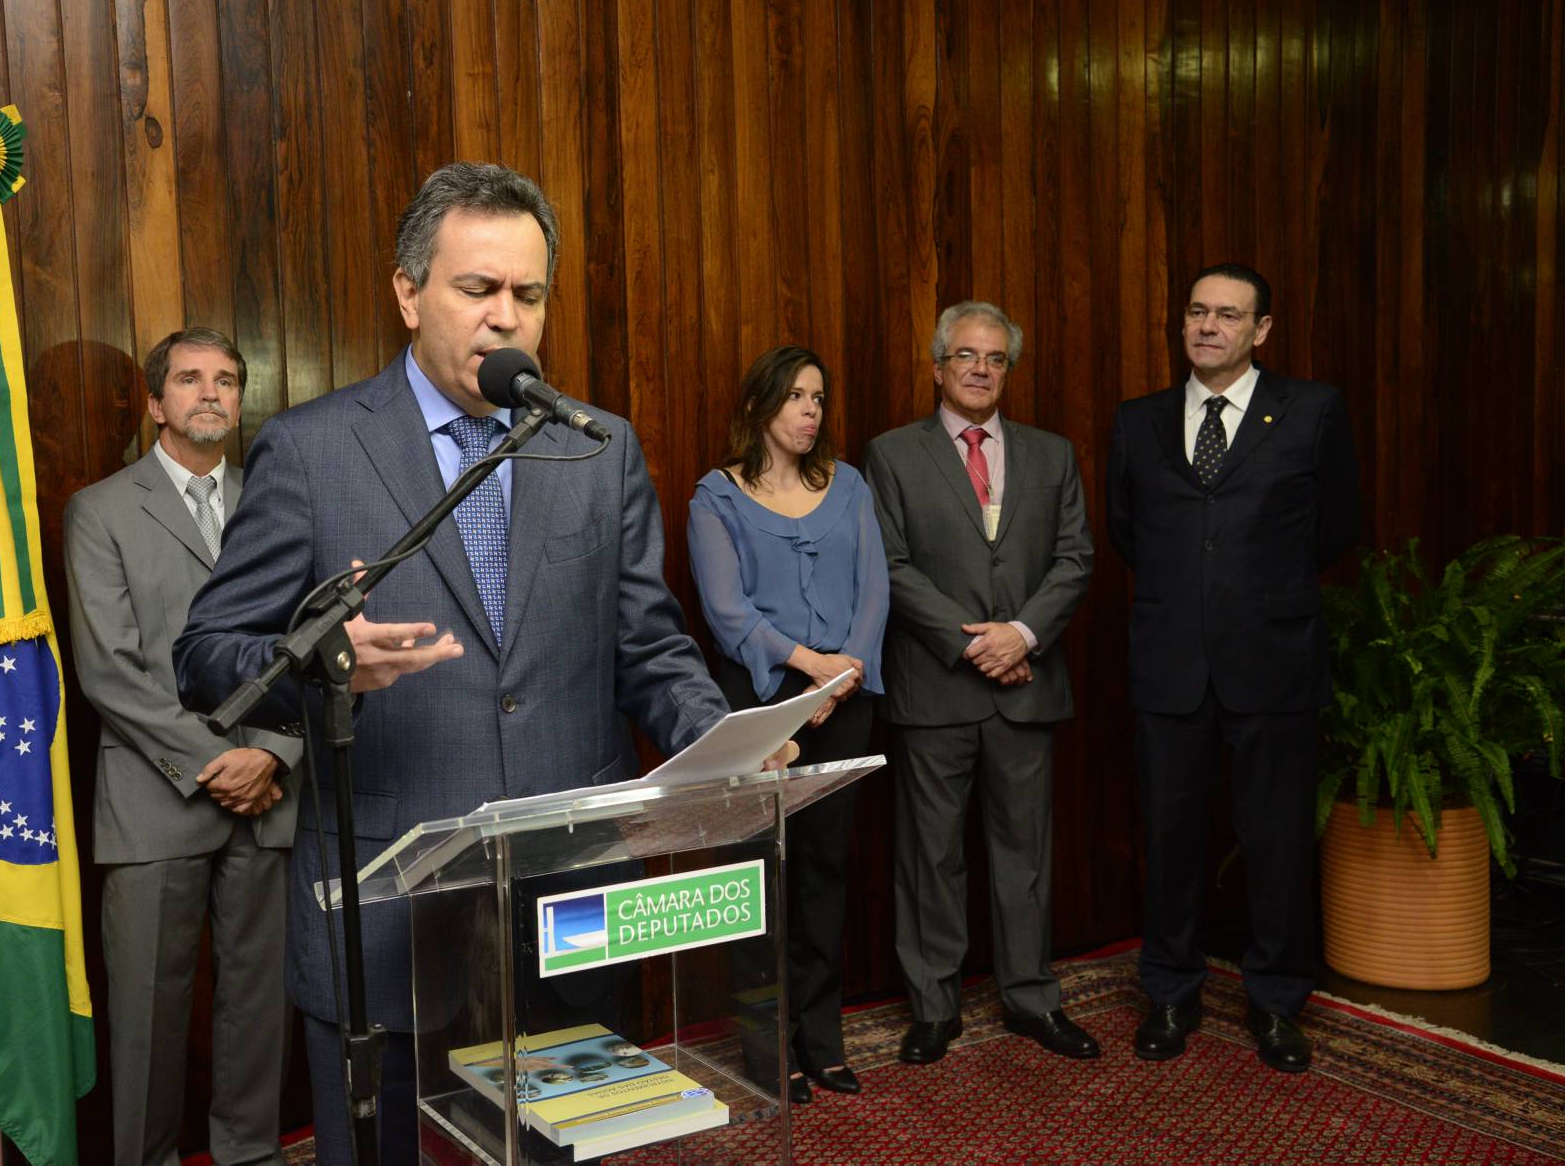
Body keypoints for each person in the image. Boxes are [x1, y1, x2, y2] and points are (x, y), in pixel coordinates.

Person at [173, 162, 745, 1165]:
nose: (505, 318)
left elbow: (649, 645)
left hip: (568, 915)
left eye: (527, 294)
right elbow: (207, 655)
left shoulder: (599, 448)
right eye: (477, 289)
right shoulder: (313, 453)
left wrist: (724, 740)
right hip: (392, 925)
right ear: (408, 293)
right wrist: (323, 662)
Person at [1107, 263, 1359, 1073]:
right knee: (1171, 836)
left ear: (1262, 329)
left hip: (1274, 661)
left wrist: (1255, 597)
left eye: (1227, 314)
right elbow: (1127, 532)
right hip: (1170, 662)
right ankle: (1171, 992)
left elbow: (1335, 529)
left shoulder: (1313, 409)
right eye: (1195, 312)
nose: (1207, 326)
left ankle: (1278, 1000)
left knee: (1276, 838)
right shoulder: (1137, 420)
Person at [63, 328, 304, 1166]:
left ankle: (249, 1154)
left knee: (258, 1008)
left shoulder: (281, 503)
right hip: (154, 800)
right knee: (147, 1021)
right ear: (156, 402)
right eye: (191, 378)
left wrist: (271, 752)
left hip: (268, 796)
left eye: (228, 379)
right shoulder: (99, 510)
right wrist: (219, 762)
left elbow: (308, 641)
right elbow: (110, 670)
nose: (211, 392)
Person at [863, 301, 1097, 1066]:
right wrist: (977, 646)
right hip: (936, 687)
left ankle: (1031, 997)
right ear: (937, 366)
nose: (979, 369)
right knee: (930, 854)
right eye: (965, 355)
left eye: (995, 358)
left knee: (1024, 851)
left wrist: (1020, 635)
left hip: (1026, 684)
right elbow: (892, 565)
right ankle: (934, 1005)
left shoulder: (1052, 455)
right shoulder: (892, 455)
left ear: (1009, 371)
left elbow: (1074, 559)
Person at [687, 345, 889, 1104]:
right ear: (760, 407)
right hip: (759, 708)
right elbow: (726, 611)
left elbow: (876, 593)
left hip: (845, 702)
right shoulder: (717, 496)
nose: (811, 411)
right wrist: (810, 667)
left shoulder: (852, 487)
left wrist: (844, 673)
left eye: (819, 398)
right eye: (797, 397)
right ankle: (770, 1048)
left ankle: (824, 1038)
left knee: (824, 874)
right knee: (760, 877)